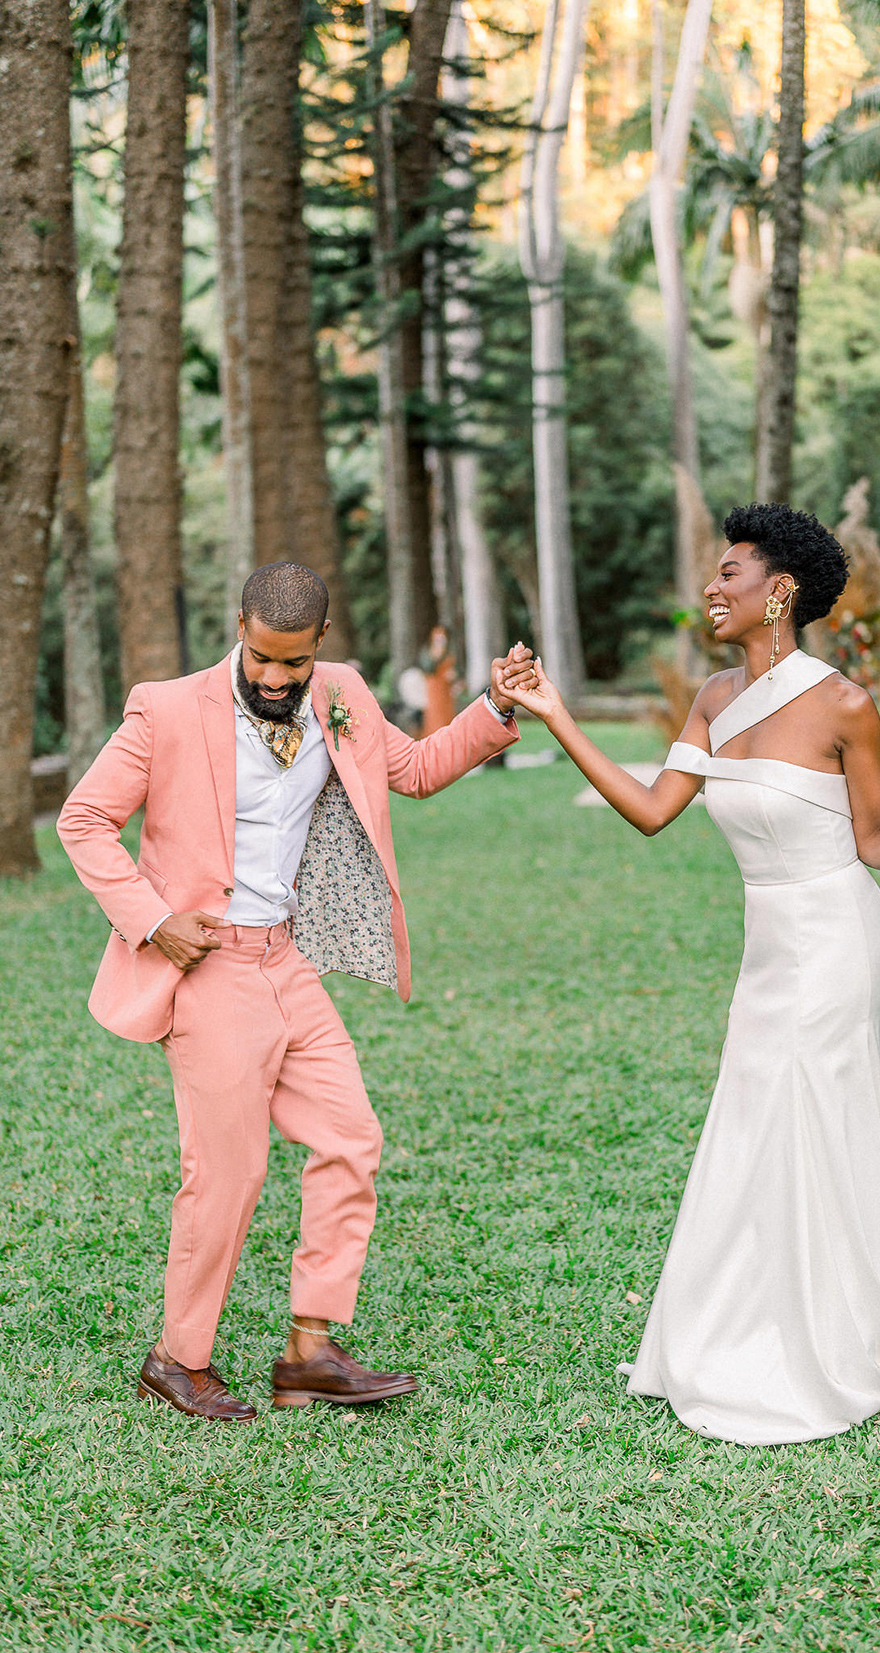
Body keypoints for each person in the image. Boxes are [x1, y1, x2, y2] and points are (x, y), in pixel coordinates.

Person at [499, 503, 880, 1446]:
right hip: (767, 944)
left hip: (836, 939)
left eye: (730, 573)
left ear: (778, 590)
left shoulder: (845, 704)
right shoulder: (710, 698)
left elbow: (874, 838)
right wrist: (551, 713)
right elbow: (655, 809)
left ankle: (825, 1339)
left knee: (813, 1122)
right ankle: (735, 1326)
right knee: (749, 1122)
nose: (712, 586)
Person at [58, 562, 535, 1423]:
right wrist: (152, 916)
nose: (275, 679)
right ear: (239, 625)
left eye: (293, 664)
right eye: (260, 659)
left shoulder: (343, 693)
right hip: (207, 966)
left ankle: (311, 1348)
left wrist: (496, 709)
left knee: (352, 1136)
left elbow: (418, 770)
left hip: (289, 962)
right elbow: (84, 819)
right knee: (228, 1173)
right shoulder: (164, 710)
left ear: (321, 644)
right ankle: (177, 1359)